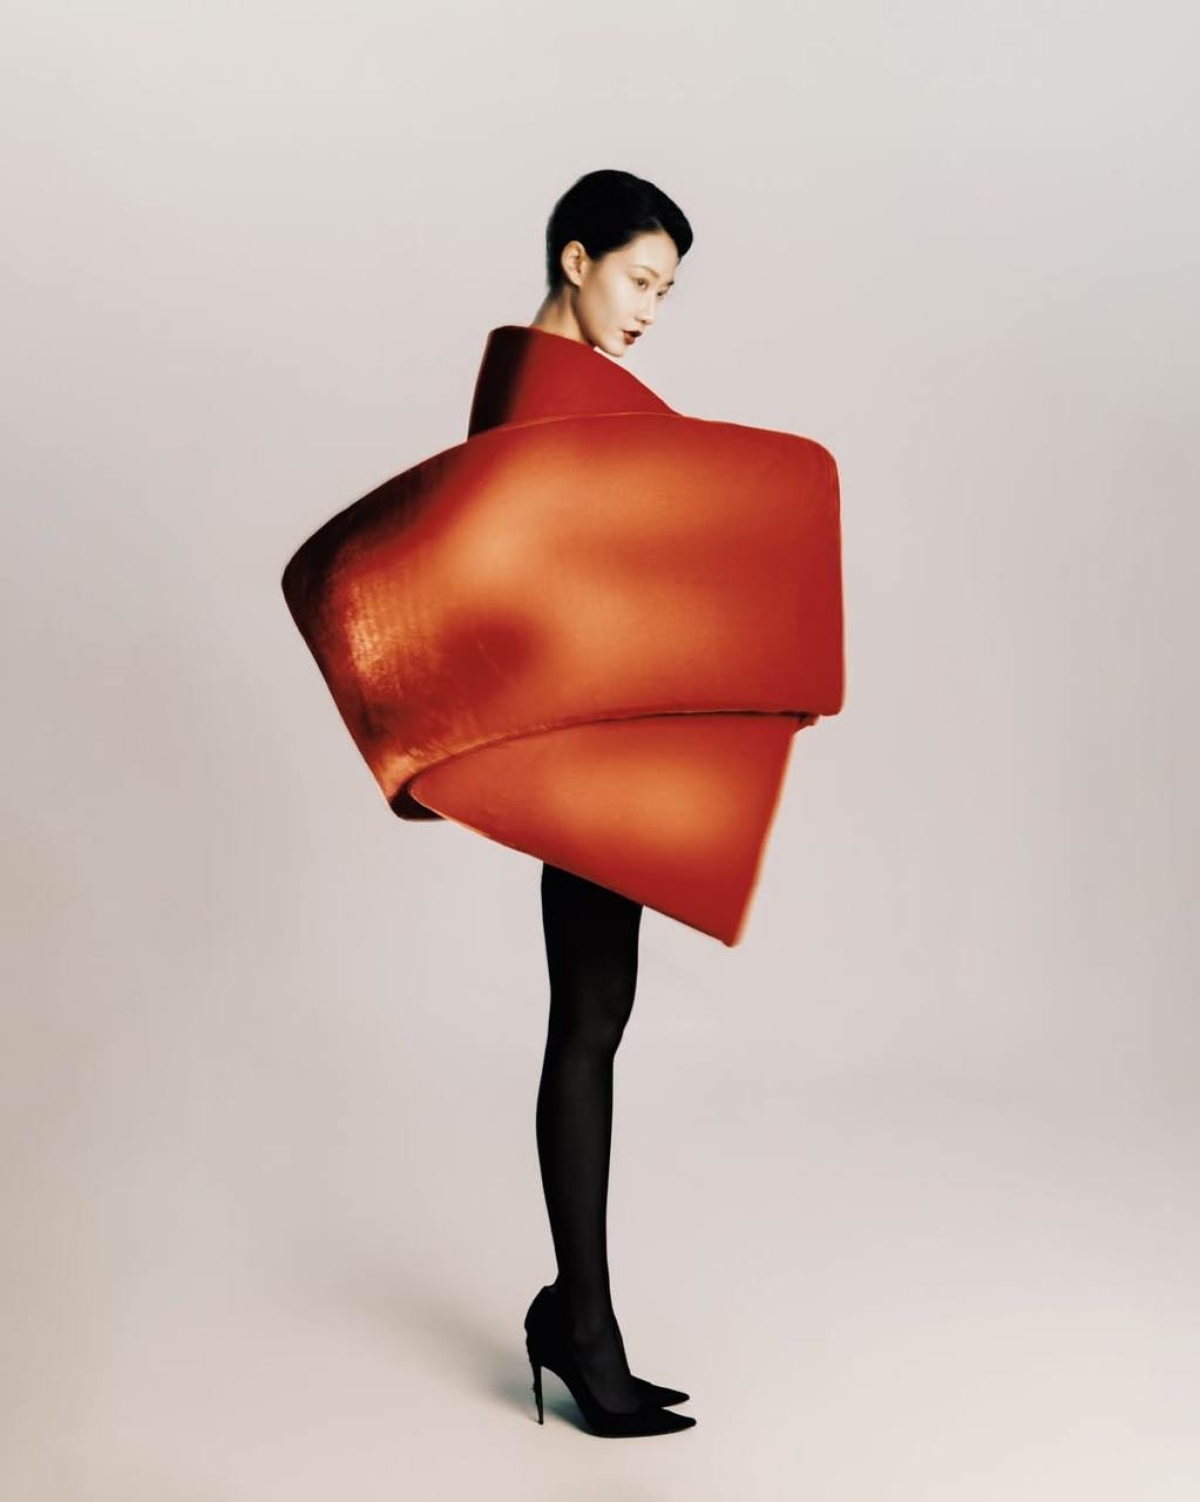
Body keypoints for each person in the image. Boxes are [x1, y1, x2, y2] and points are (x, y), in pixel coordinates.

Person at [521, 170, 700, 1439]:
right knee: (586, 1023)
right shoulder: (538, 389)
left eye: (667, 293)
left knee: (597, 1015)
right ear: (577, 258)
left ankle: (574, 1313)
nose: (648, 309)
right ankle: (585, 1332)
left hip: (609, 733)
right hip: (585, 741)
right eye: (640, 279)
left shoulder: (568, 387)